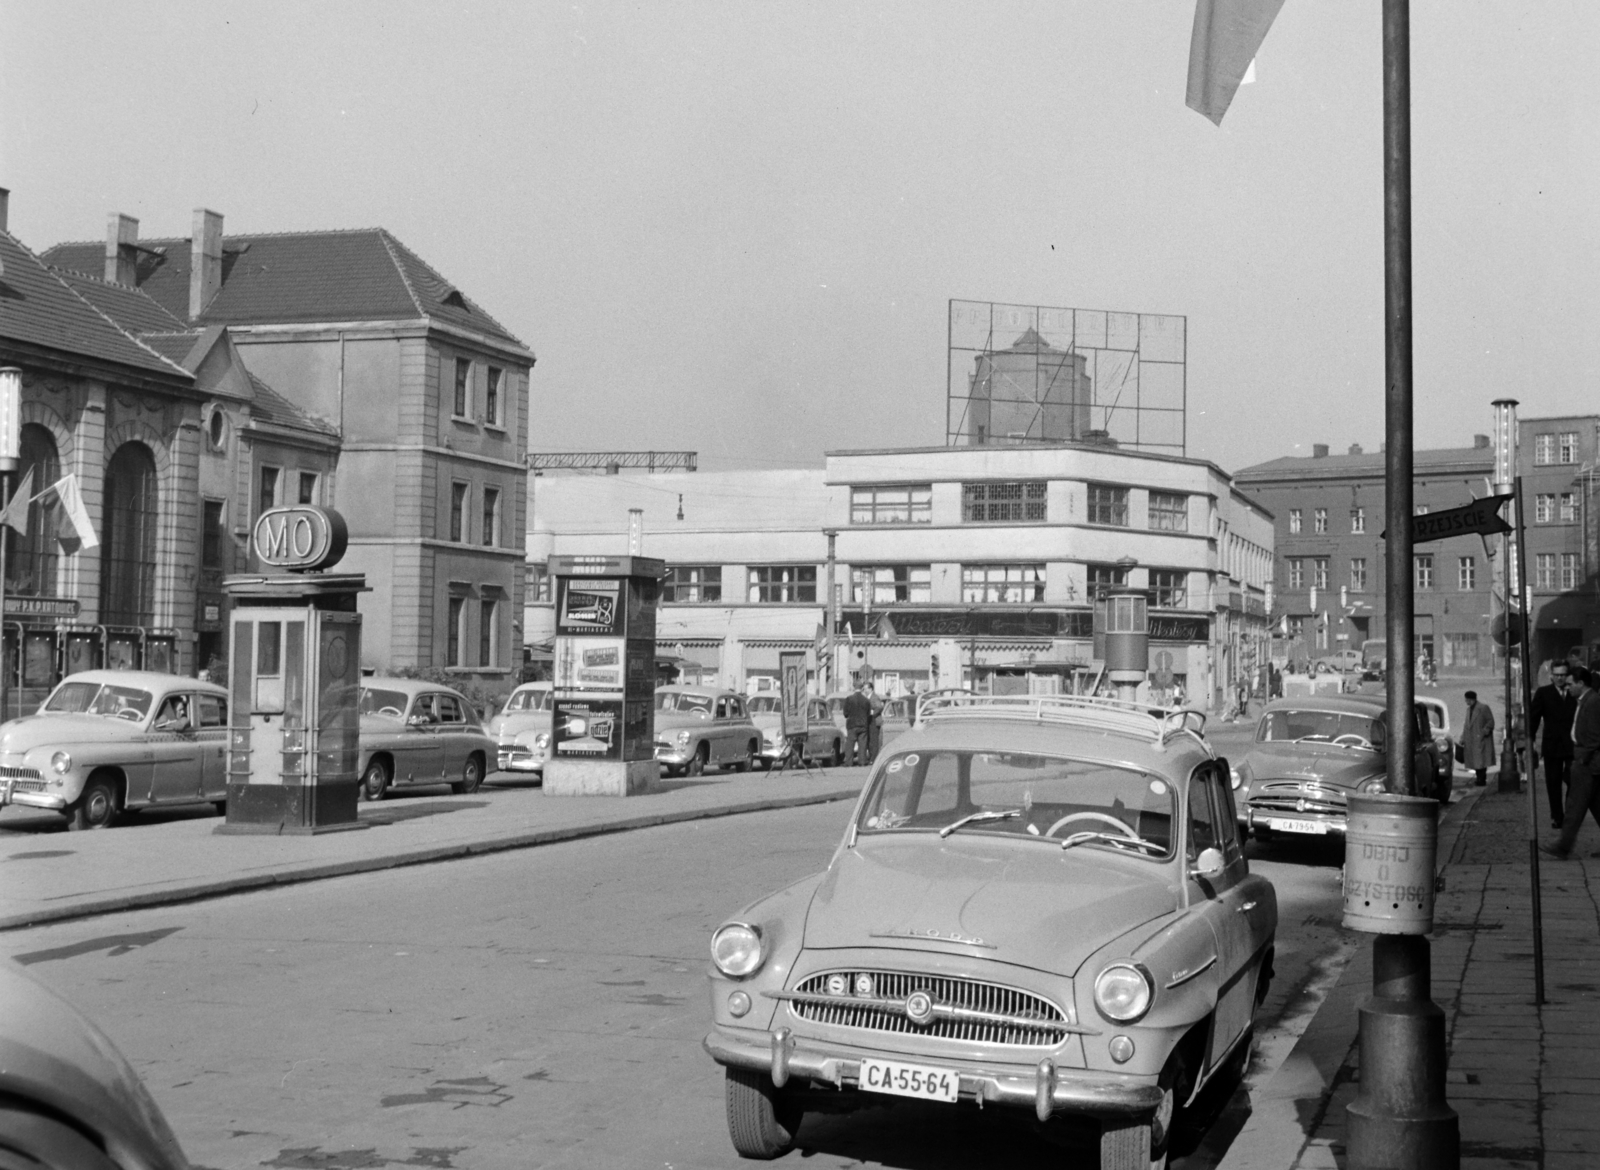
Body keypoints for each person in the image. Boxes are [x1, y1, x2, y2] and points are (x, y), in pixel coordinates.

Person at [1544, 664, 1600, 859]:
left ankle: (1563, 846)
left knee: (1574, 807)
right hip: (1588, 761)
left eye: (1570, 684)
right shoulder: (1584, 700)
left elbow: (1594, 736)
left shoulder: (1592, 702)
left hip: (1586, 763)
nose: (1567, 688)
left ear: (1581, 683)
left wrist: (1582, 759)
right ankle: (1563, 845)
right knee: (1597, 805)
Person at [1530, 660, 1578, 830]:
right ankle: (1557, 816)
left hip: (1573, 745)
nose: (1559, 678)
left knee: (1573, 781)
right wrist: (1531, 741)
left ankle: (1571, 814)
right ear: (1551, 675)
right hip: (1552, 745)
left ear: (1568, 675)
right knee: (1553, 782)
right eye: (1556, 675)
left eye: (1563, 675)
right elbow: (1533, 718)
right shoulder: (1544, 693)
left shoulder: (1575, 692)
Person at [1461, 691, 1495, 787]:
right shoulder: (1469, 710)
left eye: (1467, 699)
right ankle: (1479, 778)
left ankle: (1481, 779)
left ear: (1472, 699)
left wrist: (1483, 732)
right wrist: (1463, 737)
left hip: (1480, 739)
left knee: (1481, 761)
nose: (1466, 701)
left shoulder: (1483, 708)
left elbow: (1490, 721)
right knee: (1475, 761)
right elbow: (1466, 725)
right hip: (1471, 739)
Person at [842, 682, 871, 766]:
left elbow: (845, 714)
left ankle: (849, 762)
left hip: (852, 725)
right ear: (862, 689)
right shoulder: (866, 700)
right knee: (862, 744)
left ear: (853, 688)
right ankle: (862, 762)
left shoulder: (849, 699)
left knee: (850, 744)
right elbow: (868, 713)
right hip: (863, 725)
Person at [865, 680, 886, 763]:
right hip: (870, 720)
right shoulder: (867, 697)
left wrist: (873, 712)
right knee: (870, 739)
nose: (865, 691)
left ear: (870, 689)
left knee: (874, 740)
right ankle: (871, 757)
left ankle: (874, 758)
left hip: (874, 720)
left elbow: (880, 707)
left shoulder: (874, 697)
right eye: (864, 689)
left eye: (866, 689)